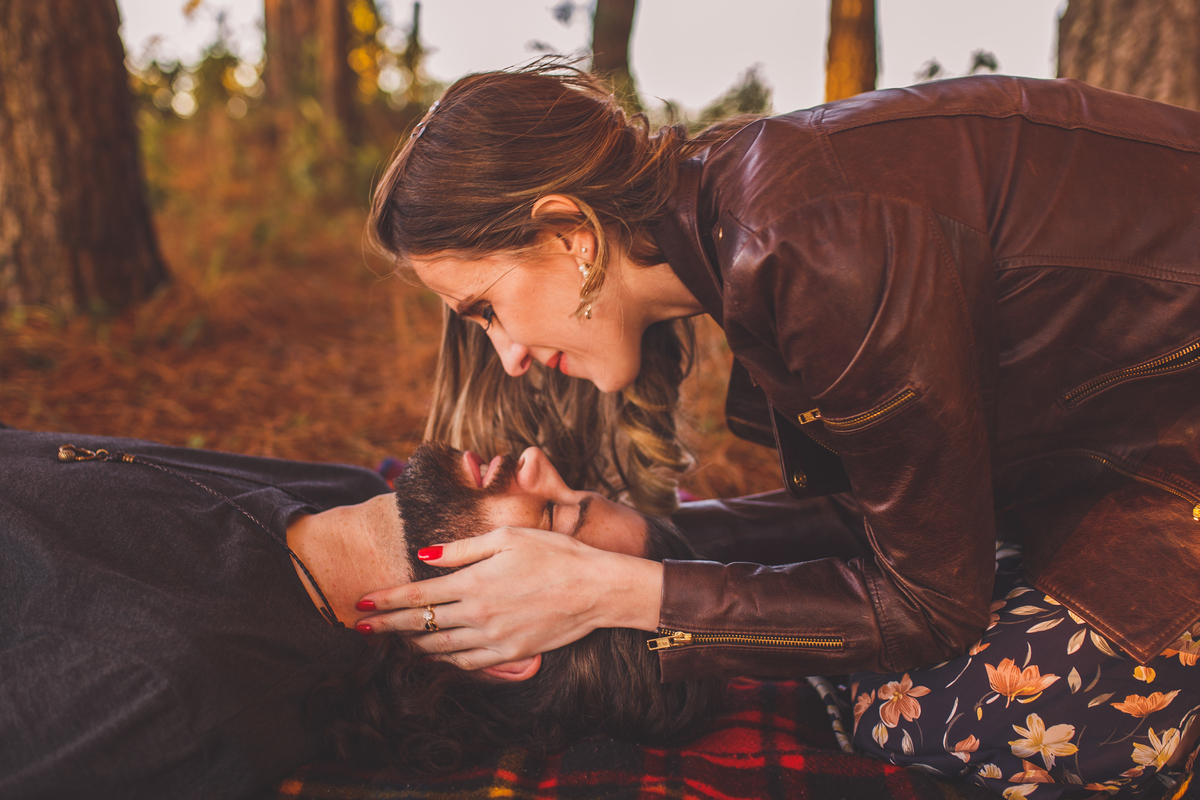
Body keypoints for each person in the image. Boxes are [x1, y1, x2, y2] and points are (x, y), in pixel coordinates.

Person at [362, 62, 1200, 796]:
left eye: (486, 310)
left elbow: (931, 604)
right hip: (1116, 450)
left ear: (571, 235)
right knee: (886, 688)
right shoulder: (742, 214)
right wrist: (638, 539)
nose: (508, 356)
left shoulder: (810, 250)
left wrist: (617, 592)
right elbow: (890, 505)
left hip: (1165, 452)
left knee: (936, 712)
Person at [0, 426, 718, 800]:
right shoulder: (336, 494)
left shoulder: (169, 685)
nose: (535, 460)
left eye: (557, 516)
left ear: (505, 647)